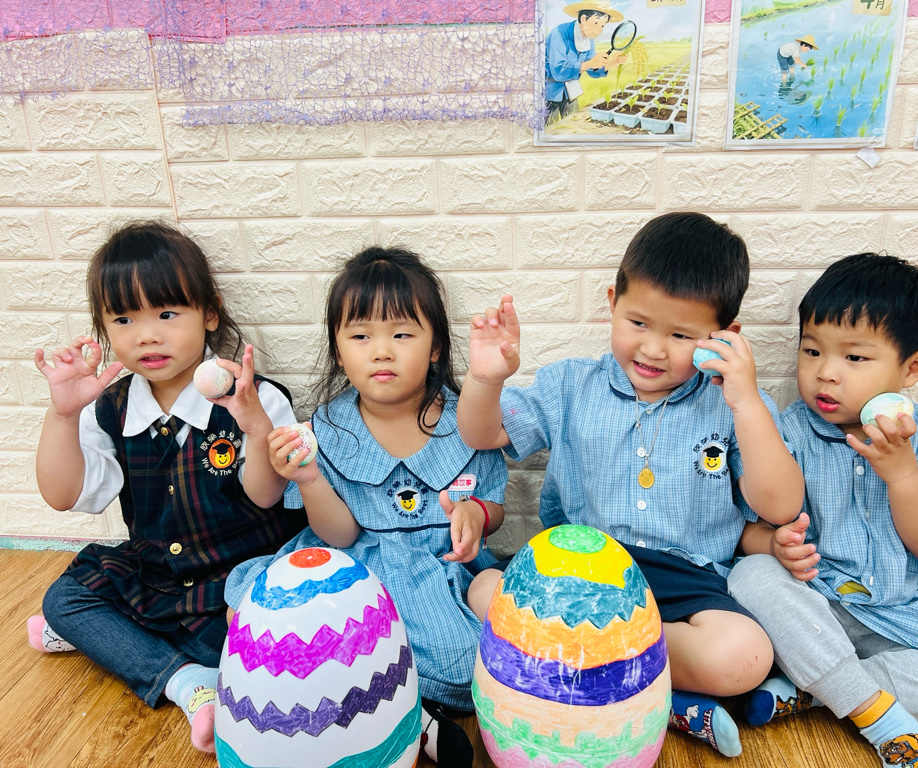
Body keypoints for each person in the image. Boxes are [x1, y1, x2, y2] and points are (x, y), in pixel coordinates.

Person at [457, 212, 805, 757]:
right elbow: (483, 434)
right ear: (612, 302)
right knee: (482, 589)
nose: (654, 349)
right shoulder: (572, 384)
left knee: (745, 655)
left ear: (724, 338)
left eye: (681, 335)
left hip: (685, 577)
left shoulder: (734, 404)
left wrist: (745, 402)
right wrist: (485, 379)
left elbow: (781, 506)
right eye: (638, 322)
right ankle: (660, 697)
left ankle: (604, 680)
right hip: (579, 571)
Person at [27, 221, 306, 753]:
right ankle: (187, 683)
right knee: (64, 598)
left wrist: (254, 428)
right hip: (158, 577)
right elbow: (62, 496)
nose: (146, 335)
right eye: (123, 319)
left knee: (275, 643)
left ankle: (126, 645)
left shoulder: (255, 398)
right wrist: (62, 414)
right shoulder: (110, 408)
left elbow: (267, 496)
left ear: (209, 313)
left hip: (239, 585)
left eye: (167, 314)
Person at [728, 253, 918, 767]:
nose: (826, 373)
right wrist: (772, 545)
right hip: (814, 609)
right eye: (812, 350)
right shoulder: (787, 432)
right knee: (750, 575)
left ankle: (816, 690)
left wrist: (904, 476)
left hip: (905, 615)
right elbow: (747, 530)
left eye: (855, 358)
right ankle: (870, 710)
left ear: (912, 368)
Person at [224, 246, 507, 768]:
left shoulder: (468, 421)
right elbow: (339, 537)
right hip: (355, 568)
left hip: (438, 571)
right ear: (337, 351)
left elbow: (494, 507)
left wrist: (478, 516)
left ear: (436, 347)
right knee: (252, 614)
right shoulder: (329, 429)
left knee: (462, 658)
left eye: (401, 335)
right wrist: (308, 478)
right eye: (360, 336)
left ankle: (400, 711)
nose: (381, 352)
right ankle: (410, 719)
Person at [545, 0, 627, 124]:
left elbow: (592, 70)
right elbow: (558, 71)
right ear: (583, 19)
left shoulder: (588, 40)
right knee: (551, 126)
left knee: (574, 123)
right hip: (551, 94)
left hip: (571, 93)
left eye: (603, 26)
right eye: (596, 23)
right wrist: (589, 64)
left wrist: (609, 64)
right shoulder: (559, 34)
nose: (599, 30)